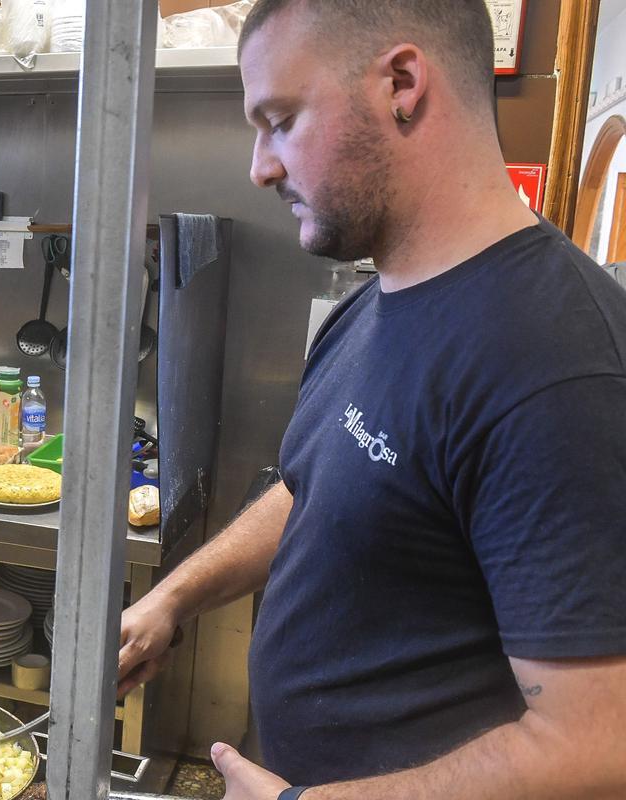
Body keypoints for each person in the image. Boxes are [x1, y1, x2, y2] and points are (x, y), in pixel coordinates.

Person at [118, 2, 626, 798]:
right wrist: (175, 597)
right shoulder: (376, 300)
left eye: (280, 120)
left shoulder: (557, 365)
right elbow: (316, 488)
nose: (260, 166)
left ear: (401, 83)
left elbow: (596, 749)